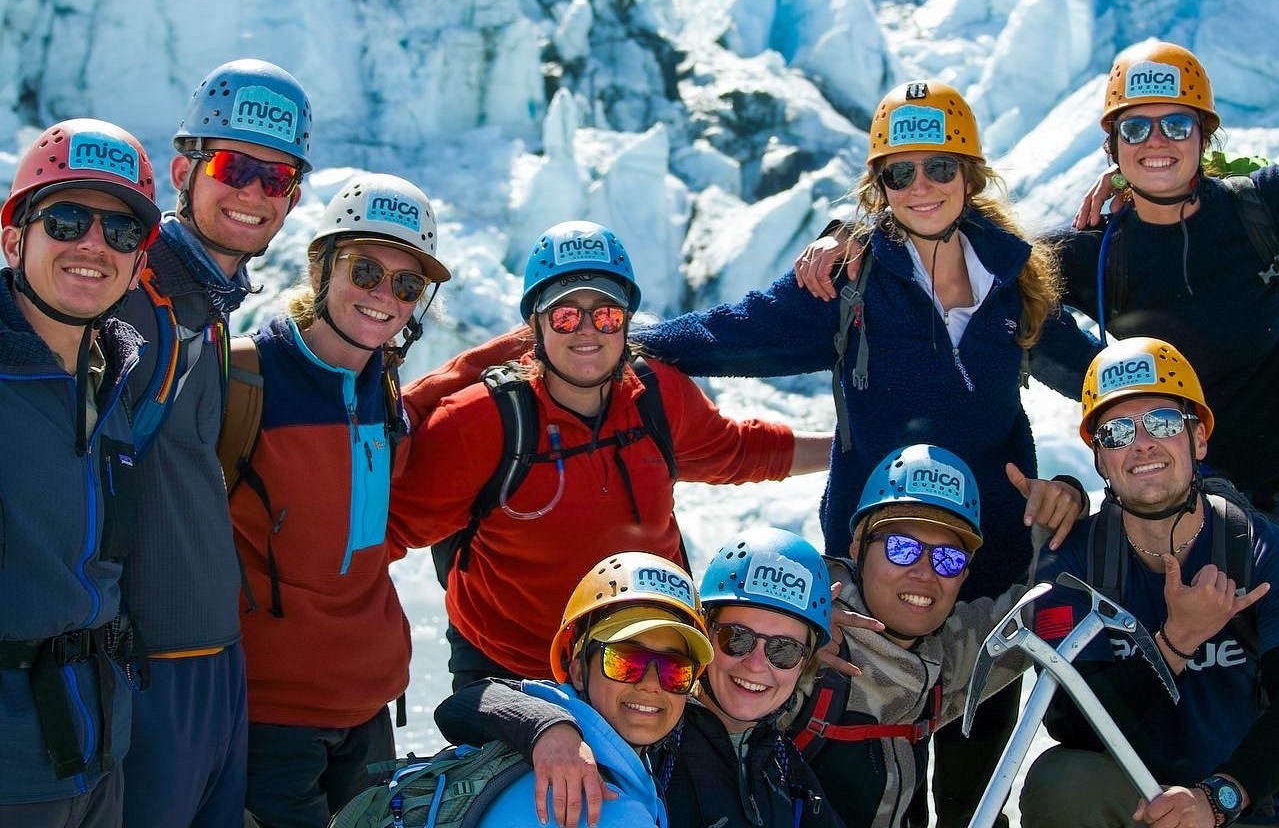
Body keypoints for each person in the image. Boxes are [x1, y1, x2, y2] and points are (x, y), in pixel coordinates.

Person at [633, 80, 1095, 821]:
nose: (921, 187)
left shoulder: (1016, 281)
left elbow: (1100, 378)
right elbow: (733, 331)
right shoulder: (851, 282)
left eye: (939, 167)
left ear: (970, 175)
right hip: (873, 591)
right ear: (878, 185)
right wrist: (613, 342)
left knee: (979, 797)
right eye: (898, 172)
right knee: (884, 784)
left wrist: (1094, 469)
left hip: (989, 575)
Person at [1040, 40, 1279, 827]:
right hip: (1165, 502)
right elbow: (979, 273)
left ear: (1206, 134)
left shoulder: (1265, 209)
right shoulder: (1096, 252)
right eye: (1137, 128)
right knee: (1176, 664)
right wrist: (1103, 382)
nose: (1158, 142)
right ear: (1113, 146)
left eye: (1176, 123)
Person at [387, 219, 836, 687]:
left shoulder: (658, 396)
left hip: (647, 662)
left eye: (606, 315)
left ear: (625, 322)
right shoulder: (479, 422)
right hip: (513, 672)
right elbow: (388, 535)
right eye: (565, 315)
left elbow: (740, 450)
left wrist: (849, 448)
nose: (588, 331)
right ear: (534, 324)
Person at [1020, 337, 1279, 828]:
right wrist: (1175, 643)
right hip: (1132, 806)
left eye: (1164, 423)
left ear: (1198, 440)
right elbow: (1067, 719)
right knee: (1062, 781)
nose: (1142, 442)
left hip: (1241, 805)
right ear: (1100, 458)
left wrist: (1216, 800)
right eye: (1117, 432)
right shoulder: (1073, 564)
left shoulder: (1270, 555)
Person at [117, 59, 313, 828]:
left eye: (278, 179)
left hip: (214, 668)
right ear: (183, 170)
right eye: (234, 167)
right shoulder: (130, 295)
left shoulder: (208, 306)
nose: (254, 194)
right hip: (144, 672)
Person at [230, 174, 450, 827]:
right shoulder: (246, 379)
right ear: (322, 268)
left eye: (407, 286)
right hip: (270, 722)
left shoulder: (382, 387)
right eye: (366, 270)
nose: (385, 296)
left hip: (369, 709)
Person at [436, 528, 845, 828]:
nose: (757, 663)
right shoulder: (653, 733)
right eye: (735, 639)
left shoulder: (780, 760)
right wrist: (548, 728)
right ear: (706, 637)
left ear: (806, 663)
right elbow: (468, 704)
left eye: (784, 650)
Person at [0, 119, 161, 826]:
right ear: (14, 239)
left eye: (121, 232)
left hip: (97, 756)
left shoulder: (112, 383)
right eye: (66, 218)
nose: (93, 245)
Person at [782, 444, 1038, 828]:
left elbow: (1050, 605)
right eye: (902, 548)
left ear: (964, 576)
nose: (924, 571)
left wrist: (1066, 512)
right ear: (857, 549)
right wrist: (783, 634)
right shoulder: (797, 638)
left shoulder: (951, 652)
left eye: (948, 559)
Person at [436, 551, 714, 827]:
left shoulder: (551, 714)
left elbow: (466, 702)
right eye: (625, 661)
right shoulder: (616, 812)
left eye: (675, 669)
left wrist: (546, 727)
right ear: (579, 671)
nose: (651, 684)